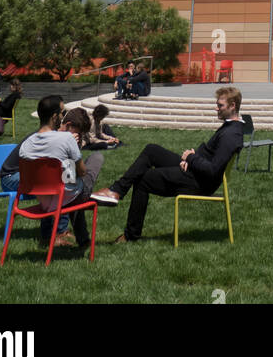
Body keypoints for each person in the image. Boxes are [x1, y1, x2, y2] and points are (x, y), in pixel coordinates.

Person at [92, 86, 244, 243]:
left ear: (232, 106)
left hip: (200, 181)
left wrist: (191, 159)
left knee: (143, 179)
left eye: (220, 105)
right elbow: (211, 156)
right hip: (195, 171)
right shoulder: (230, 127)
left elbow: (213, 170)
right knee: (152, 150)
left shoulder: (231, 135)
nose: (216, 108)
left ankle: (130, 235)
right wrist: (192, 159)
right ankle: (116, 190)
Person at [14, 96, 105, 248]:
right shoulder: (67, 139)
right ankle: (107, 193)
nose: (63, 117)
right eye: (62, 113)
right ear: (55, 116)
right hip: (65, 195)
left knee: (70, 182)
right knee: (96, 157)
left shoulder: (26, 144)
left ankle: (83, 240)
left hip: (45, 199)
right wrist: (74, 149)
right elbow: (82, 172)